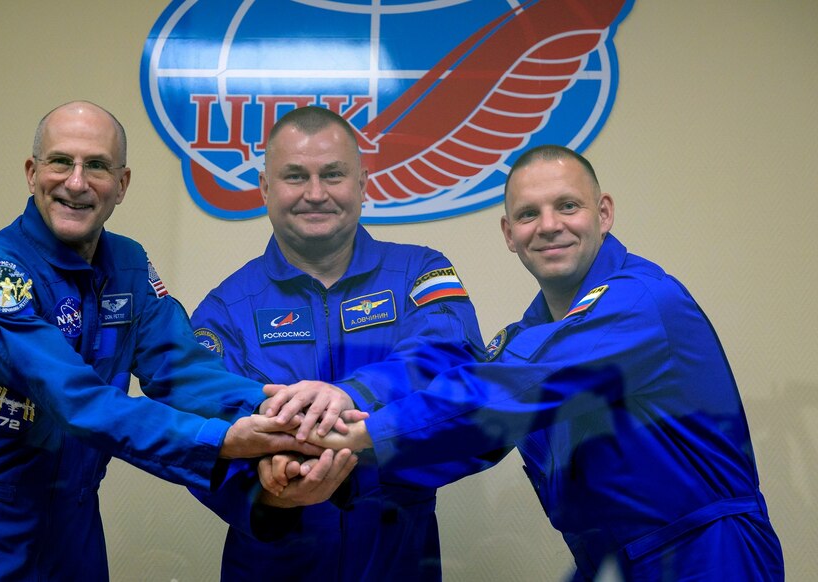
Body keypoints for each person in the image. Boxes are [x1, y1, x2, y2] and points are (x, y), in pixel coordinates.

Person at [269, 145, 784, 580]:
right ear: (508, 233)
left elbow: (501, 392)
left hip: (707, 553)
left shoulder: (640, 302)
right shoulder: (528, 338)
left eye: (567, 206)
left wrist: (360, 430)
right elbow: (473, 431)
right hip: (611, 560)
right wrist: (338, 470)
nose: (549, 226)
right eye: (528, 214)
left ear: (603, 214)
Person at [0, 101, 321, 581]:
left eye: (96, 165)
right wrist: (221, 440)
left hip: (72, 530)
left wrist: (277, 412)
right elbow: (76, 401)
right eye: (60, 162)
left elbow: (183, 372)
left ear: (122, 184)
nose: (76, 183)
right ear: (32, 173)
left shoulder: (127, 266)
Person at [188, 106, 489, 581]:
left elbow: (452, 364)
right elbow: (204, 427)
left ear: (363, 183)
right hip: (272, 563)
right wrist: (269, 493)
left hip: (397, 563)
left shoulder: (420, 273)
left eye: (333, 174)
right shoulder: (224, 310)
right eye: (294, 176)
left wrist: (353, 397)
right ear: (265, 188)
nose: (315, 193)